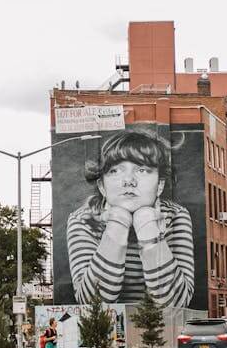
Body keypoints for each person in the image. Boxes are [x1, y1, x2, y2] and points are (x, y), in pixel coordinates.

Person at [66, 129, 195, 307]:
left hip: (160, 331)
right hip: (105, 333)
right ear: (102, 186)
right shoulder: (84, 220)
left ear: (160, 185)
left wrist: (148, 227)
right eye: (115, 171)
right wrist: (117, 224)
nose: (129, 181)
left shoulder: (175, 216)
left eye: (142, 170)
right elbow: (92, 303)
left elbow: (175, 304)